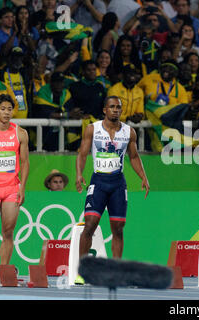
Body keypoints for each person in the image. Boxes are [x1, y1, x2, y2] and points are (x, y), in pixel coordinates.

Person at [74, 95, 150, 284]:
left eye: (119, 107)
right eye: (112, 107)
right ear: (104, 110)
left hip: (117, 184)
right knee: (89, 225)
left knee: (118, 229)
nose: (116, 110)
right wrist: (78, 174)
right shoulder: (93, 129)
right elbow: (82, 153)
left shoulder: (129, 132)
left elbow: (133, 157)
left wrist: (143, 177)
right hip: (98, 182)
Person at [0, 94, 29, 265]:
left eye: (9, 109)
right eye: (3, 109)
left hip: (12, 189)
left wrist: (22, 188)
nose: (6, 113)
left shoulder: (20, 133)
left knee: (8, 231)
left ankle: (3, 271)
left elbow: (25, 162)